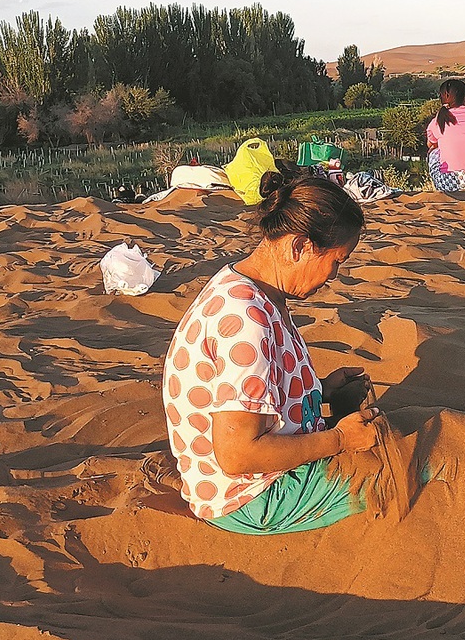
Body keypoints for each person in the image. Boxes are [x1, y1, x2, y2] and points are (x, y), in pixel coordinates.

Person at [162, 170, 387, 534]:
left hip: (256, 478)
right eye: (336, 261)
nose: (333, 275)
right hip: (250, 496)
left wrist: (319, 390)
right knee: (400, 469)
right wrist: (339, 439)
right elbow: (238, 454)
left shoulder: (252, 285)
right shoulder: (245, 318)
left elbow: (255, 391)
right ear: (298, 247)